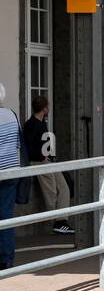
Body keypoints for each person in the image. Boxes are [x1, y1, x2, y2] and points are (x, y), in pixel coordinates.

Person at [22, 95, 73, 234]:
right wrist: (41, 157)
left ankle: (62, 220)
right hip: (38, 163)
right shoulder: (31, 124)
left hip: (47, 161)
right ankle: (57, 221)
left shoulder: (42, 122)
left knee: (64, 187)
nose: (48, 109)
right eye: (47, 107)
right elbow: (27, 147)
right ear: (44, 108)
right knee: (51, 192)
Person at [0, 84, 24, 270]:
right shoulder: (12, 114)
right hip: (12, 171)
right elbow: (18, 143)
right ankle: (7, 258)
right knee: (6, 215)